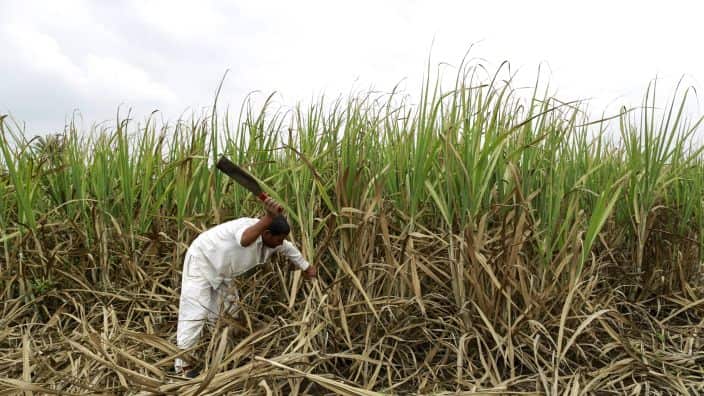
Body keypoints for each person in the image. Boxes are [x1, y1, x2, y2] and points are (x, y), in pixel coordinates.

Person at [174, 197, 316, 377]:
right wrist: (268, 217)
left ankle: (224, 355)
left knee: (230, 314)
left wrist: (307, 267)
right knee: (194, 315)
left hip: (223, 273)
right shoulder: (245, 227)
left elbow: (289, 250)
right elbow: (244, 240)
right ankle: (182, 368)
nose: (281, 243)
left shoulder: (273, 240)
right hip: (201, 263)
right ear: (266, 233)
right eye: (279, 239)